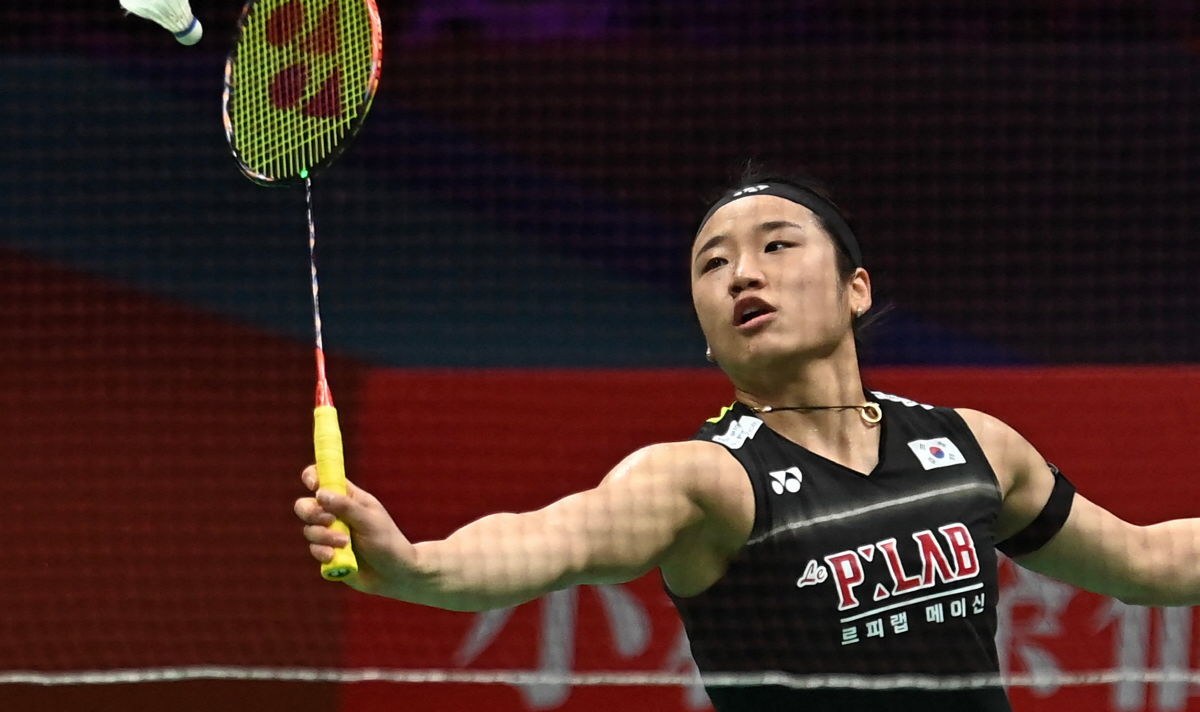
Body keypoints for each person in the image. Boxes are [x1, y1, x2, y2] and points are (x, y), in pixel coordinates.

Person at [294, 166, 1199, 711]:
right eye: (712, 262)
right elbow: (550, 538)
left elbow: (1150, 560)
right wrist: (417, 565)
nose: (742, 273)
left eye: (776, 245)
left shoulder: (973, 446)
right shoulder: (705, 481)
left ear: (856, 288)